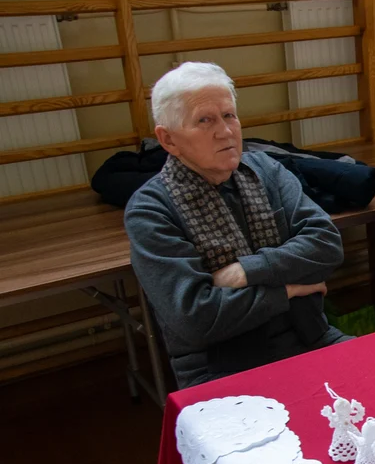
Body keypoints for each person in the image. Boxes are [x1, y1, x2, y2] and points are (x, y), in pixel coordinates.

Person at [125, 62, 350, 389]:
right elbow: (195, 318)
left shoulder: (265, 170)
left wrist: (247, 270)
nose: (225, 131)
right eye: (205, 120)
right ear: (168, 140)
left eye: (229, 116)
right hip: (221, 370)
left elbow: (326, 245)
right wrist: (288, 290)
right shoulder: (150, 210)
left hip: (313, 338)